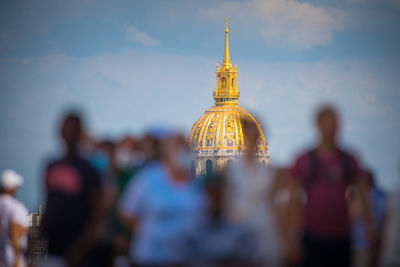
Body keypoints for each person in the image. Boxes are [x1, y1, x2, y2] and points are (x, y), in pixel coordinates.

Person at [288, 105, 372, 267]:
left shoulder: (349, 159)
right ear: (318, 125)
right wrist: (292, 237)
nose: (331, 128)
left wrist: (369, 228)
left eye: (334, 123)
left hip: (342, 236)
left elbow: (364, 196)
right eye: (327, 123)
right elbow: (293, 199)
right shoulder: (303, 159)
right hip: (312, 236)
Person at [119, 131, 204, 266]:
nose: (182, 153)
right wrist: (148, 231)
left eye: (185, 149)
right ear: (166, 152)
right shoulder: (147, 178)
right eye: (177, 148)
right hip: (149, 258)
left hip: (184, 258)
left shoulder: (195, 182)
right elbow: (126, 211)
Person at [42, 112, 108, 267]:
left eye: (74, 130)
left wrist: (79, 249)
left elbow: (99, 213)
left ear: (80, 134)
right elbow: (47, 205)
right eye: (66, 129)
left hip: (79, 254)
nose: (69, 134)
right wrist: (35, 241)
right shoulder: (51, 166)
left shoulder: (89, 170)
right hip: (52, 250)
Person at [223, 117, 285, 266]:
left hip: (266, 235)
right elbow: (225, 203)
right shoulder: (229, 171)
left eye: (253, 136)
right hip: (238, 238)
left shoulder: (271, 171)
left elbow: (277, 205)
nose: (249, 141)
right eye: (246, 136)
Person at [351, 170, 388, 267]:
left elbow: (353, 215)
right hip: (378, 242)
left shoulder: (359, 196)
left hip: (359, 241)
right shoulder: (383, 197)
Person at [0, 170, 28, 267]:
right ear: (13, 188)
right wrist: (18, 259)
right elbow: (16, 233)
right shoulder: (16, 207)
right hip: (11, 257)